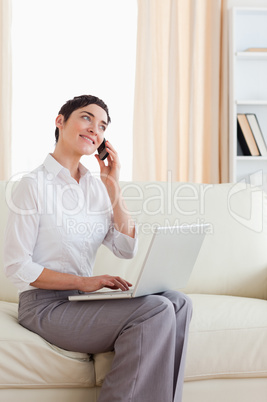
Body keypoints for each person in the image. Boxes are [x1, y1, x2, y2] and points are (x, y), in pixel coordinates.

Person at [3, 94, 192, 402]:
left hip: (79, 303)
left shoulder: (94, 187)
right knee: (155, 310)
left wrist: (114, 185)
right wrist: (84, 282)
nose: (95, 129)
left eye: (102, 126)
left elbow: (125, 248)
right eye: (87, 118)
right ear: (60, 121)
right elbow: (16, 266)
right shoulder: (33, 185)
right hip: (44, 307)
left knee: (179, 303)